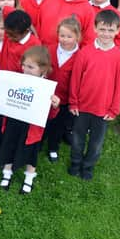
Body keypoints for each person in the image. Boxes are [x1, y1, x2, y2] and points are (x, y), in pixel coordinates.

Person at [68, 10, 120, 180]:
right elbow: (75, 79)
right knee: (78, 138)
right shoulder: (84, 52)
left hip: (103, 109)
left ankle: (88, 166)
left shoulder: (119, 57)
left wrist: (114, 109)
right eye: (102, 29)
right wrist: (73, 102)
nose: (106, 34)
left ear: (117, 31)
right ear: (95, 28)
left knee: (96, 142)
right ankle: (75, 162)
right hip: (83, 106)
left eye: (110, 30)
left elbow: (119, 85)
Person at [0, 46, 60, 194]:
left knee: (31, 152)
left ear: (42, 69)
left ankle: (29, 178)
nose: (25, 69)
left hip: (32, 129)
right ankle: (7, 171)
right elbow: (4, 96)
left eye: (30, 67)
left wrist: (54, 106)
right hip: (14, 123)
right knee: (9, 145)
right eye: (24, 65)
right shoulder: (16, 80)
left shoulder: (46, 88)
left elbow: (49, 115)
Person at [45, 17, 81, 162]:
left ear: (77, 37)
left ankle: (53, 147)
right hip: (48, 94)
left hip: (65, 98)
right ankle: (39, 141)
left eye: (69, 36)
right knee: (44, 121)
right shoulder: (50, 49)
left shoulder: (80, 56)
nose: (65, 39)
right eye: (62, 35)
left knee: (59, 125)